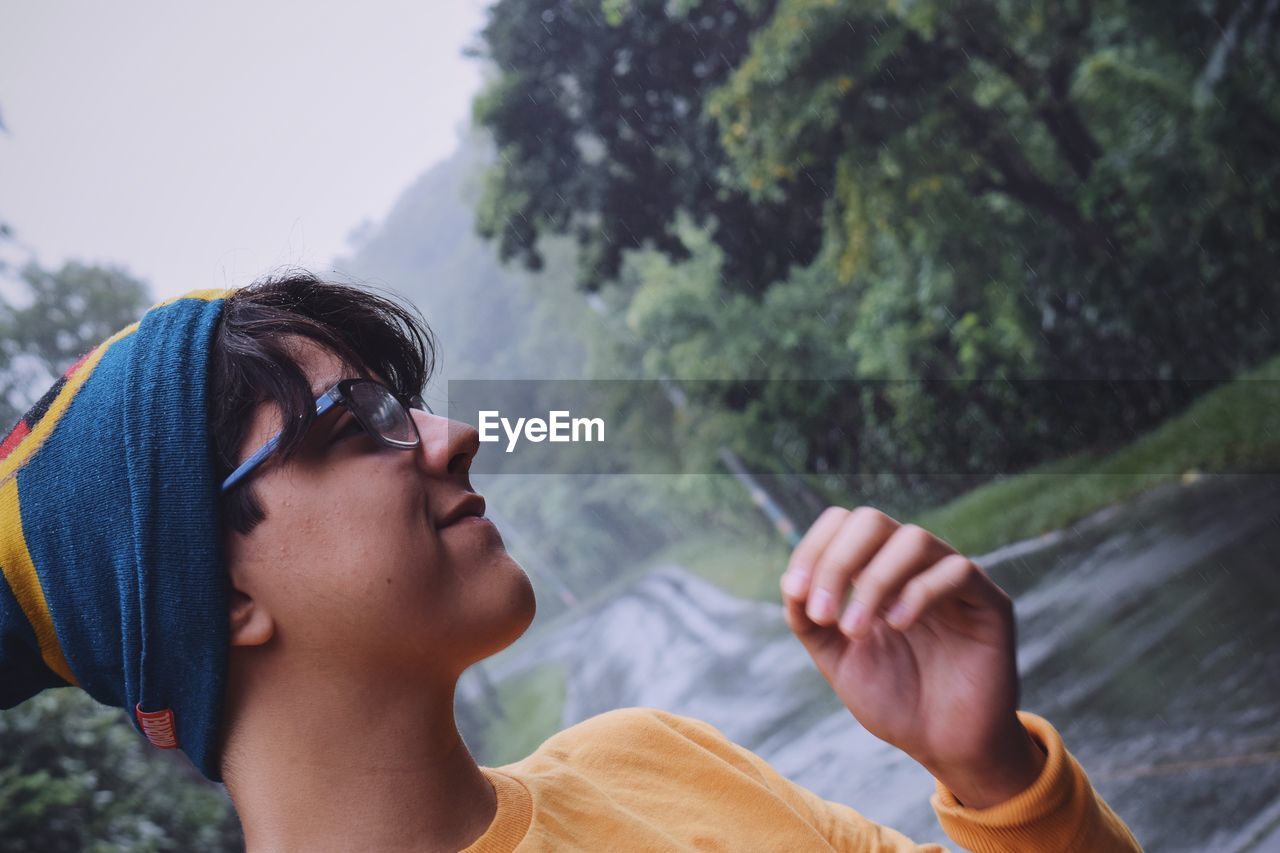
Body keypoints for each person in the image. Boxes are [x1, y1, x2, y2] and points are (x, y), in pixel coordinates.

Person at [0, 273, 1141, 851]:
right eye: (356, 423)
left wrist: (997, 783)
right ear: (221, 590)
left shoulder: (654, 758)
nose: (454, 435)